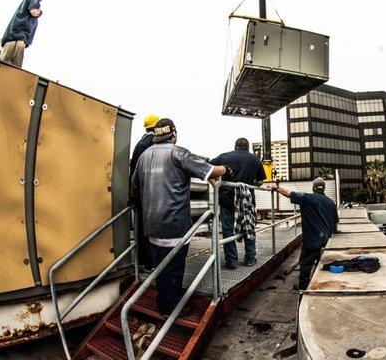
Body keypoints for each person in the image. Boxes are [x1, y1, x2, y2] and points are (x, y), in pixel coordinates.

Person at [130, 118, 230, 315]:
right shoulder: (179, 153)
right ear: (173, 133)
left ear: (156, 135)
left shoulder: (144, 156)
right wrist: (226, 169)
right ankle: (171, 308)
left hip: (150, 225)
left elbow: (134, 186)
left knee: (160, 268)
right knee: (174, 269)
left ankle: (163, 301)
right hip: (174, 225)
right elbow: (211, 170)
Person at [210, 138, 266, 269]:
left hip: (227, 198)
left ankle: (232, 262)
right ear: (248, 148)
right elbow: (260, 181)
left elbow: (208, 169)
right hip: (247, 201)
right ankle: (250, 258)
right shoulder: (255, 160)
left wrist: (216, 185)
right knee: (248, 226)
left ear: (235, 147)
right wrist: (249, 183)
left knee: (228, 230)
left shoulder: (224, 157)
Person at [273, 178, 338, 290]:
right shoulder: (331, 203)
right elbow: (335, 224)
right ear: (324, 188)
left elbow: (289, 193)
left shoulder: (307, 198)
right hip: (326, 241)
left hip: (311, 241)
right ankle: (320, 285)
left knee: (306, 264)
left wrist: (276, 188)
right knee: (321, 265)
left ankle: (303, 287)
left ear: (313, 188)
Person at [129, 114, 160, 271]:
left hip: (139, 191)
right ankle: (150, 263)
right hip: (150, 191)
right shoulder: (153, 143)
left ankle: (141, 262)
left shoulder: (139, 143)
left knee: (140, 228)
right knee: (151, 228)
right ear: (156, 127)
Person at [0, 0, 48, 67]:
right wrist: (40, 12)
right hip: (19, 40)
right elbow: (34, 12)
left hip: (12, 39)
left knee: (1, 66)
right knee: (14, 69)